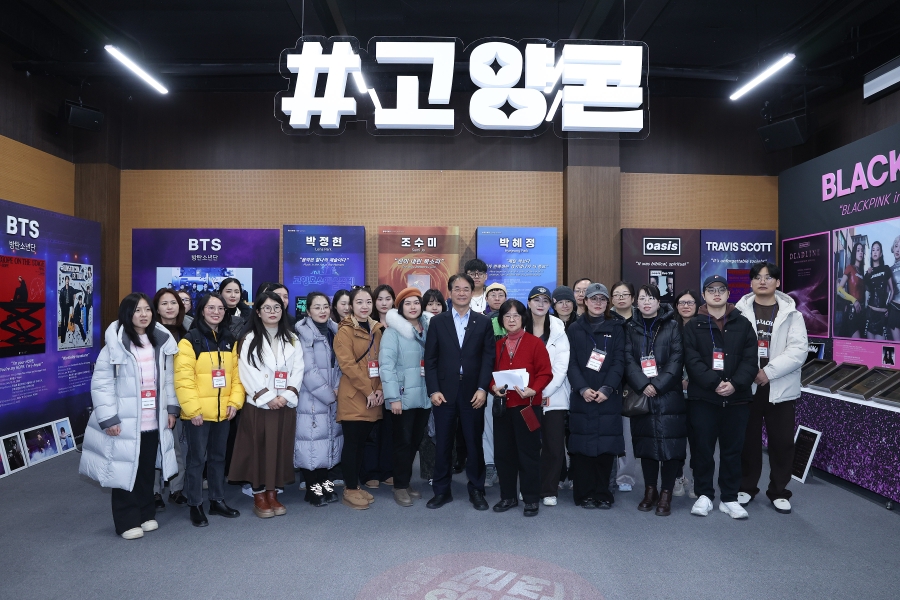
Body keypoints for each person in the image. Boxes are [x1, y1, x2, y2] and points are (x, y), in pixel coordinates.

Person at [79, 293, 180, 539]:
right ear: (127, 313)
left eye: (147, 309)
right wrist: (109, 419)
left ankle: (146, 514)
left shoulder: (160, 342)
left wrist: (171, 409)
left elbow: (168, 380)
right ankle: (126, 521)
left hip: (153, 420)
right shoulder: (115, 345)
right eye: (137, 310)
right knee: (124, 471)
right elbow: (101, 385)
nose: (144, 315)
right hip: (125, 422)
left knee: (146, 471)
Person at [682, 275, 757, 519]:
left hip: (737, 399)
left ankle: (729, 498)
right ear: (704, 295)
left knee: (732, 451)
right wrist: (715, 383)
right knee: (702, 449)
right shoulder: (693, 325)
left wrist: (734, 384)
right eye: (711, 289)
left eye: (721, 289)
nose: (716, 293)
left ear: (728, 294)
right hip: (703, 399)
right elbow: (691, 361)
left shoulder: (743, 323)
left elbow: (750, 360)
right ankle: (704, 495)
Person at [736, 262, 807, 515]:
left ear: (777, 282)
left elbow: (798, 351)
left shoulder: (793, 314)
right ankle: (746, 486)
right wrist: (749, 373)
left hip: (780, 387)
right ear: (751, 283)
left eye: (768, 277)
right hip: (748, 387)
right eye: (757, 277)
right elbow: (733, 348)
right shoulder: (738, 312)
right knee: (748, 441)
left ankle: (779, 491)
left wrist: (769, 372)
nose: (762, 281)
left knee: (782, 442)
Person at [424, 273, 496, 510]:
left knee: (474, 443)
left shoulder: (483, 322)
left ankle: (476, 490)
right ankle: (441, 491)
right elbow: (430, 359)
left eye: (466, 289)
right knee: (443, 443)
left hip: (473, 392)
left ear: (472, 292)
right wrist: (433, 390)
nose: (462, 293)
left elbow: (488, 359)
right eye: (457, 288)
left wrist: (483, 388)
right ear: (450, 292)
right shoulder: (438, 322)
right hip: (444, 392)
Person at [230, 292, 303, 518]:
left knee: (280, 448)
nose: (272, 312)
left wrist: (286, 395)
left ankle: (273, 492)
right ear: (258, 312)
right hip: (259, 406)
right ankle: (259, 493)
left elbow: (298, 369)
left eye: (277, 308)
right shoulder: (249, 339)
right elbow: (246, 372)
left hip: (284, 404)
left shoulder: (292, 338)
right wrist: (268, 397)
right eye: (267, 308)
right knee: (257, 449)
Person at [175, 292, 245, 527]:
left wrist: (234, 403)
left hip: (224, 412)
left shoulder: (229, 339)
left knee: (218, 459)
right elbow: (183, 380)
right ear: (202, 310)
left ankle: (217, 500)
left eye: (220, 308)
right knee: (197, 460)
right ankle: (195, 504)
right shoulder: (190, 340)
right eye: (211, 308)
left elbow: (237, 376)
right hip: (198, 414)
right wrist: (193, 410)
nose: (216, 312)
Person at [623, 285, 685, 516]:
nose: (646, 302)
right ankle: (650, 490)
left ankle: (666, 492)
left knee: (670, 445)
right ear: (636, 302)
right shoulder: (630, 327)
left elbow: (677, 359)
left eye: (651, 298)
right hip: (641, 394)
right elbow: (627, 359)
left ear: (659, 302)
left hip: (669, 394)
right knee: (646, 444)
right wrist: (643, 384)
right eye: (642, 298)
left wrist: (657, 385)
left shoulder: (673, 325)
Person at [489, 299, 553, 516]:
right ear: (501, 320)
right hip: (503, 409)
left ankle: (531, 499)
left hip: (528, 408)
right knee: (503, 454)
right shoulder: (498, 345)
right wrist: (493, 387)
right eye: (507, 316)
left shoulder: (535, 343)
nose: (511, 319)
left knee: (529, 454)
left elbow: (546, 373)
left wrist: (534, 389)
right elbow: (490, 374)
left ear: (523, 318)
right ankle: (507, 497)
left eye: (516, 315)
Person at [565, 283, 626, 509]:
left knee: (605, 448)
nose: (598, 303)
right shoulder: (574, 328)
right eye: (593, 299)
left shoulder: (617, 328)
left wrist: (607, 388)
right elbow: (570, 363)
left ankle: (603, 493)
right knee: (582, 449)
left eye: (602, 299)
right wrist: (582, 388)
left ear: (607, 303)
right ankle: (584, 494)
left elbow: (619, 361)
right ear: (585, 301)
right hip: (582, 396)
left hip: (607, 396)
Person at [379, 287, 432, 507]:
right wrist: (393, 398)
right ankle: (399, 486)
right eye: (407, 303)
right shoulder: (392, 332)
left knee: (415, 442)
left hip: (424, 396)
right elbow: (386, 367)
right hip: (402, 397)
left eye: (416, 302)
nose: (413, 307)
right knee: (402, 443)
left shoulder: (428, 328)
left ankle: (405, 481)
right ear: (400, 308)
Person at [333, 286, 384, 509]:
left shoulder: (377, 329)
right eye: (359, 302)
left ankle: (355, 484)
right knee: (352, 444)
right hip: (355, 395)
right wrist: (369, 391)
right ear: (351, 306)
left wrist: (380, 389)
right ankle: (350, 488)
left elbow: (383, 363)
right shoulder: (344, 331)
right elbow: (348, 366)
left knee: (362, 444)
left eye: (368, 302)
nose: (365, 306)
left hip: (373, 395)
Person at [294, 292, 344, 506]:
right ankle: (312, 488)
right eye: (317, 307)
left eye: (325, 306)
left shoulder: (336, 330)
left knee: (327, 441)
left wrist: (338, 389)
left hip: (333, 396)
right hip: (311, 398)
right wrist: (330, 394)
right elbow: (308, 370)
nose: (322, 311)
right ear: (308, 311)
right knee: (310, 444)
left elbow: (341, 365)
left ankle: (325, 484)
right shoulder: (302, 333)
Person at [524, 287, 571, 507]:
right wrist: (530, 392)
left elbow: (561, 366)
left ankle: (549, 489)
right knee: (529, 445)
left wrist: (542, 392)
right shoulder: (520, 325)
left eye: (545, 300)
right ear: (529, 303)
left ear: (550, 304)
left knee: (553, 445)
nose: (541, 304)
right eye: (536, 300)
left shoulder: (558, 328)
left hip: (554, 397)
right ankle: (529, 487)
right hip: (525, 397)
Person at [152, 288, 189, 507]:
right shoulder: (149, 331)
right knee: (156, 444)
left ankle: (177, 488)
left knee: (178, 445)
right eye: (164, 303)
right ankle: (155, 491)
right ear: (157, 308)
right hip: (156, 396)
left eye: (173, 303)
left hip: (183, 394)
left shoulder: (189, 329)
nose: (169, 307)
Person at [363, 284, 396, 488]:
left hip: (392, 385)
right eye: (380, 299)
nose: (384, 303)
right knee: (371, 431)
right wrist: (373, 389)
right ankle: (370, 472)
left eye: (388, 299)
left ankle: (387, 470)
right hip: (371, 385)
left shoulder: (399, 325)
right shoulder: (368, 325)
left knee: (390, 430)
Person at [673, 289, 702, 499]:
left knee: (698, 439)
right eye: (682, 302)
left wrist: (691, 379)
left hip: (698, 391)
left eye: (690, 302)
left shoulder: (705, 327)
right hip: (673, 391)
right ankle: (677, 477)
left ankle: (697, 479)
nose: (686, 306)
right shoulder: (670, 327)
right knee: (675, 438)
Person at [609, 280, 638, 493]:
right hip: (609, 381)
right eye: (617, 294)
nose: (620, 298)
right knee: (609, 429)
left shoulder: (641, 319)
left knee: (628, 433)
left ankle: (625, 475)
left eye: (625, 294)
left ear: (632, 298)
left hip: (635, 382)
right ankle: (608, 473)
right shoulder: (605, 318)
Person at [482, 281, 507, 487]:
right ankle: (490, 465)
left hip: (515, 384)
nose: (497, 298)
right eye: (493, 294)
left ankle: (507, 466)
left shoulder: (517, 319)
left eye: (501, 295)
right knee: (488, 427)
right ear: (486, 298)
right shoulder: (482, 321)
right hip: (491, 384)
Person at [864, 242, 892, 340]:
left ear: (881, 254)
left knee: (880, 347)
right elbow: (865, 293)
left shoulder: (886, 269)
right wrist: (868, 275)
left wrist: (888, 307)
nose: (875, 252)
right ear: (871, 253)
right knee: (870, 347)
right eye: (873, 250)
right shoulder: (868, 273)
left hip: (881, 314)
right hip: (870, 313)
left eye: (877, 249)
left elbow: (891, 290)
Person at [837, 242, 866, 338]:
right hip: (851, 312)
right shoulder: (850, 268)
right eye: (858, 250)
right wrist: (854, 300)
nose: (860, 252)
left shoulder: (862, 272)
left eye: (862, 251)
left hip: (861, 313)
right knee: (857, 341)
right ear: (854, 253)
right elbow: (839, 290)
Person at [58, 275, 75, 343]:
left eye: (68, 279)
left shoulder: (71, 289)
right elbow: (60, 299)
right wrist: (61, 307)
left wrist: (72, 306)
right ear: (65, 281)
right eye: (66, 279)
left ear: (69, 280)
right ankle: (62, 339)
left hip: (68, 307)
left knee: (66, 322)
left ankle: (64, 337)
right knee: (62, 322)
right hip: (63, 308)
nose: (67, 281)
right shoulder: (62, 290)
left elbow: (73, 296)